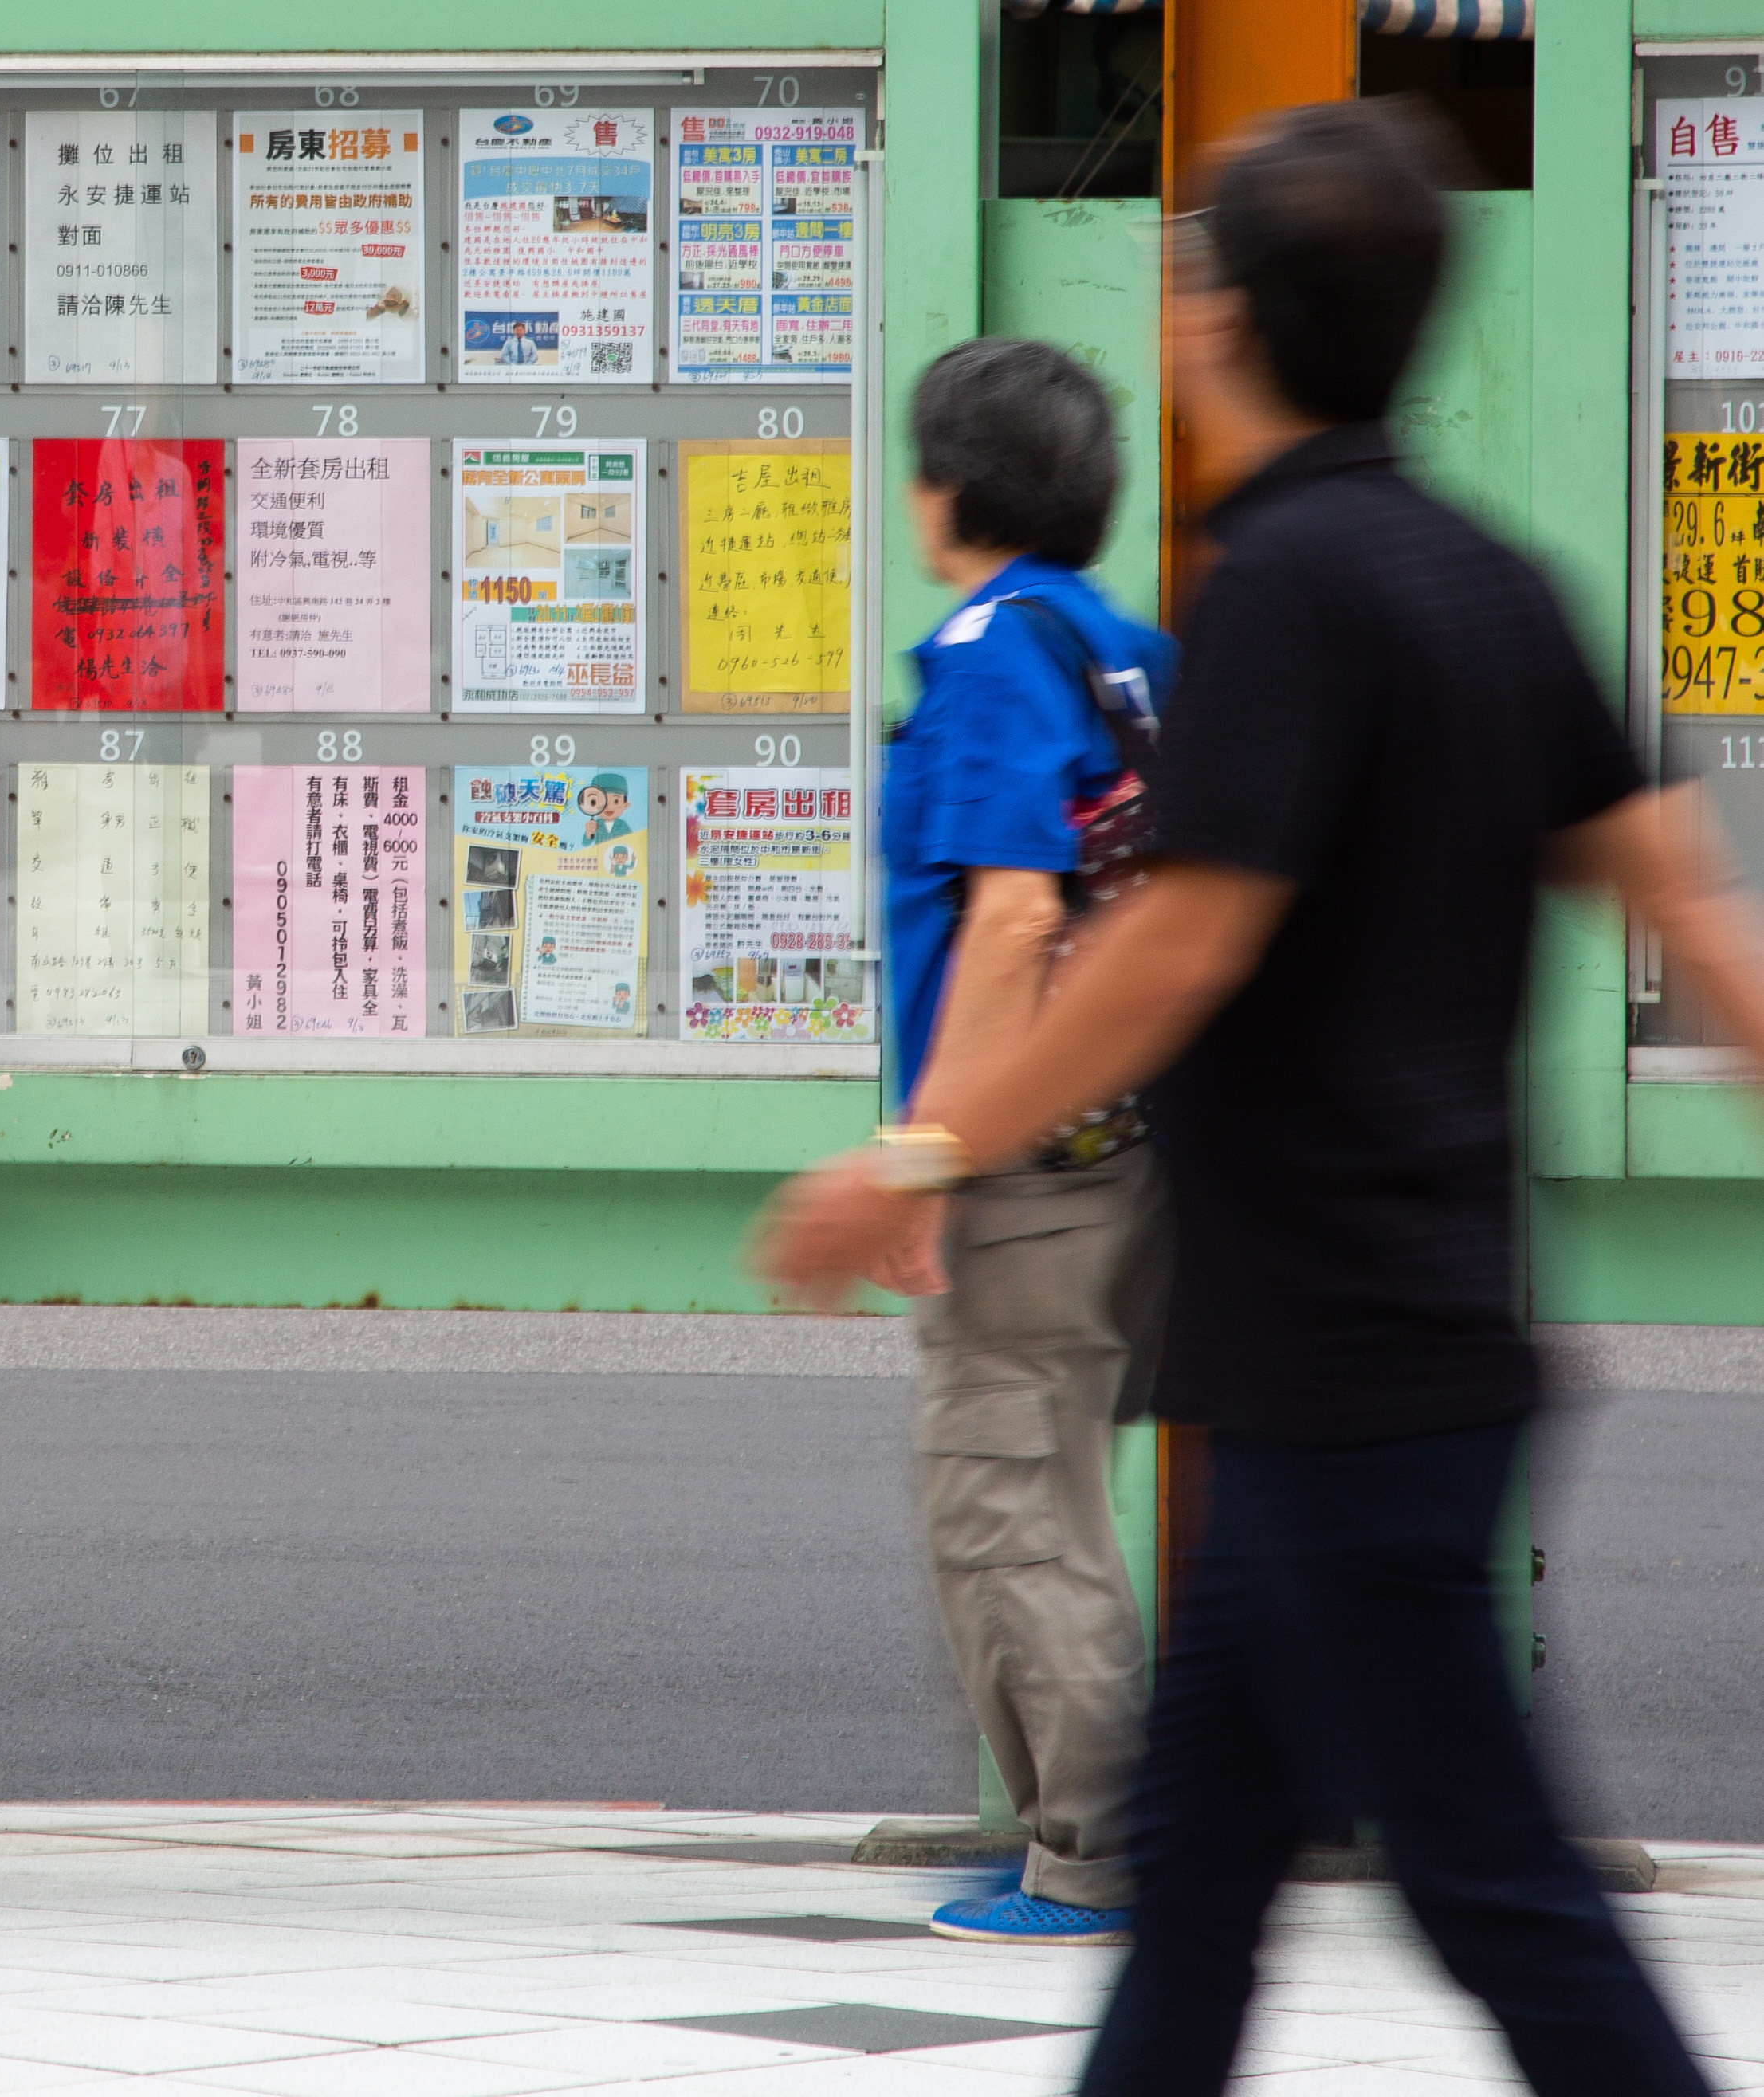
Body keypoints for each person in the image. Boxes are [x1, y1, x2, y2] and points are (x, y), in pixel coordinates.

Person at [756, 102, 1764, 2093]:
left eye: (1195, 271)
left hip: (1344, 1370)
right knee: (1197, 1903)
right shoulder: (1491, 583)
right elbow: (1697, 924)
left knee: (1488, 1888)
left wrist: (919, 1146)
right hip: (1383, 1345)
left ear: (1229, 318)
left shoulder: (1288, 592)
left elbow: (1165, 948)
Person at [877, 337, 1178, 1947]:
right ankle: (1075, 1830)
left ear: (948, 488)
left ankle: (1092, 1849)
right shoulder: (1119, 646)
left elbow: (1002, 921)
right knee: (1029, 1479)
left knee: (1006, 1495)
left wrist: (931, 1150)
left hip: (1022, 1163)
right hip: (1119, 1144)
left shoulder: (991, 648)